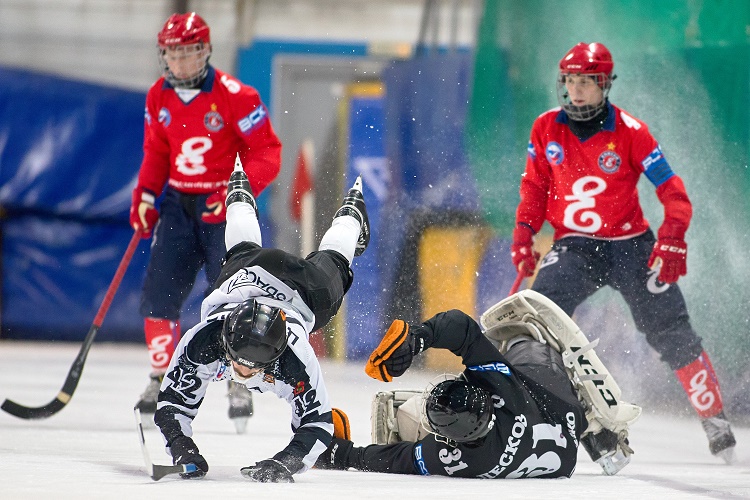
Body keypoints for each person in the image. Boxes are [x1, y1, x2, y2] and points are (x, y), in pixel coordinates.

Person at [509, 42, 736, 462]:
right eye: (570, 82)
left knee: (671, 330)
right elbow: (535, 189)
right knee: (538, 320)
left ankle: (716, 421)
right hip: (574, 246)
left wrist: (672, 236)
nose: (576, 91)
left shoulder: (631, 132)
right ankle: (584, 423)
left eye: (586, 82)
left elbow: (675, 195)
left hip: (631, 247)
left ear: (604, 84)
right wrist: (523, 236)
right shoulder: (545, 128)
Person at [153, 155, 370, 482]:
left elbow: (319, 421)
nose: (242, 372)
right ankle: (239, 190)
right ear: (223, 338)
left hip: (302, 294)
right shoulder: (203, 340)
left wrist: (286, 462)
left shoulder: (297, 355)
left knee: (333, 261)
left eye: (253, 367)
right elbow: (171, 404)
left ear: (280, 352)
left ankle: (352, 213)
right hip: (248, 277)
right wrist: (181, 446)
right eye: (240, 362)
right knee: (243, 250)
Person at [129, 11, 282, 431]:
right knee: (160, 291)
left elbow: (267, 151)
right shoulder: (158, 96)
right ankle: (160, 375)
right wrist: (144, 194)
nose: (181, 64)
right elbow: (157, 150)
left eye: (190, 53)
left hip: (223, 206)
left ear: (206, 51)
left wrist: (234, 192)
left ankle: (239, 377)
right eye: (173, 55)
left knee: (232, 293)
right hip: (180, 201)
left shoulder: (236, 95)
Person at [315, 290, 642, 478]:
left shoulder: (468, 460)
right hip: (558, 407)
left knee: (401, 416)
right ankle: (592, 423)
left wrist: (341, 455)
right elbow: (462, 327)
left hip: (563, 456)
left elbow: (401, 458)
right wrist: (417, 339)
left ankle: (589, 428)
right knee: (523, 335)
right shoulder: (504, 394)